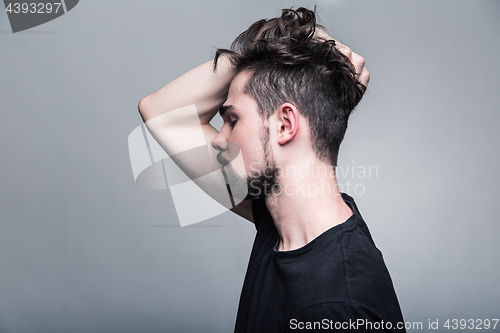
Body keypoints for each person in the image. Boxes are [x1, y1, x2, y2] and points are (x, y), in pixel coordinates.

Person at [138, 7, 405, 332]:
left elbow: (166, 115)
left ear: (285, 124)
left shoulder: (337, 309)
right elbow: (161, 112)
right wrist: (269, 50)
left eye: (232, 120)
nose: (219, 140)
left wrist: (277, 49)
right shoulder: (280, 219)